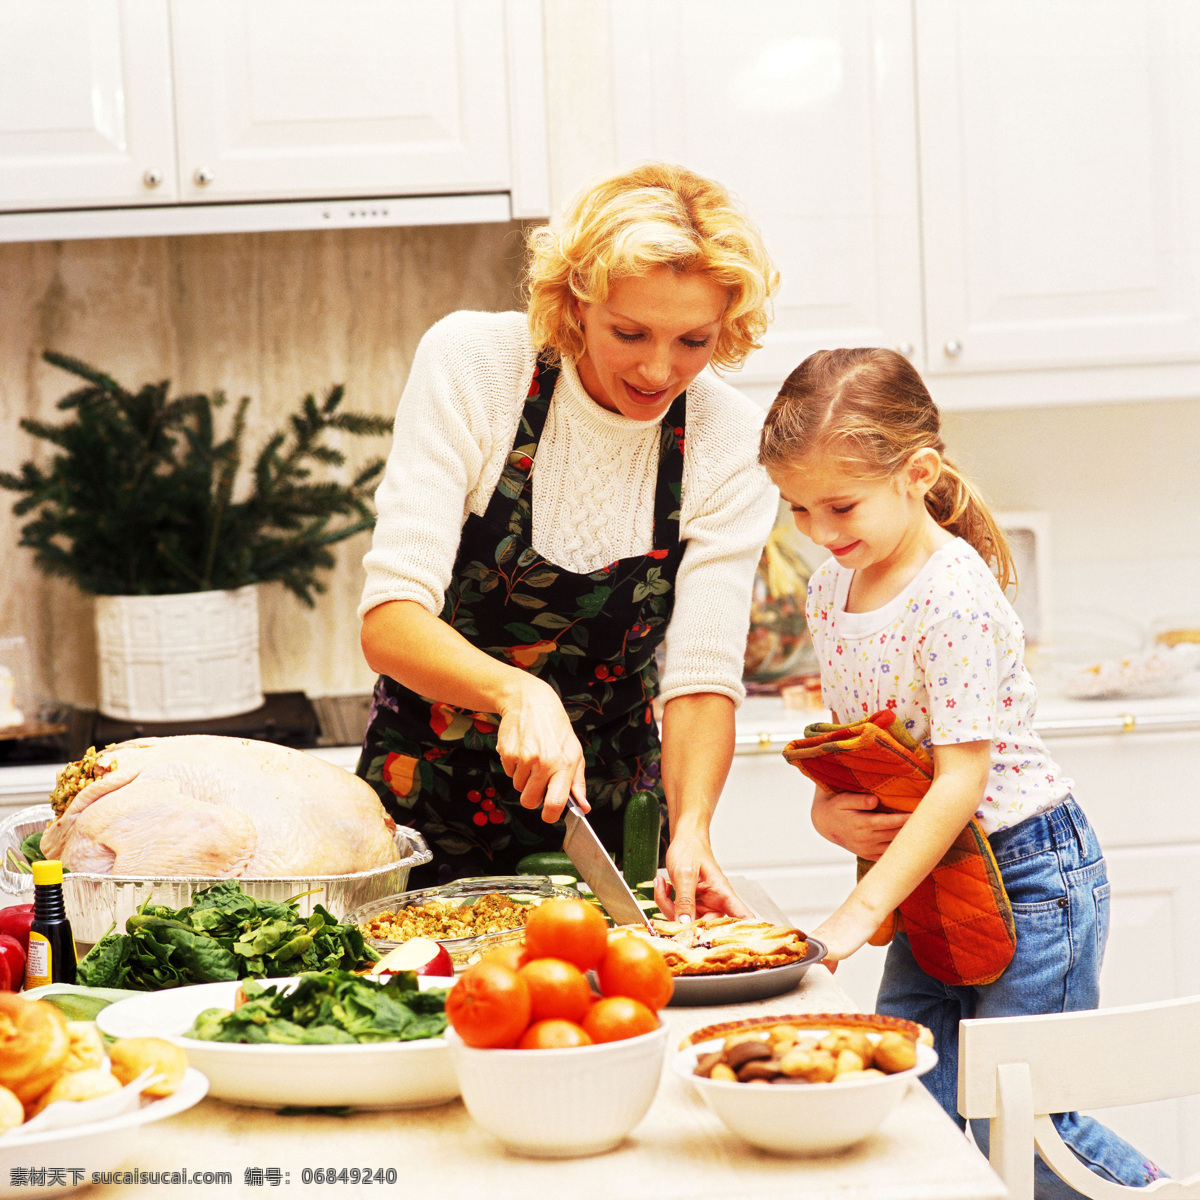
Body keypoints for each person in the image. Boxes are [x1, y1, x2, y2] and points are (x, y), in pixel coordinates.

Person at [758, 348, 1164, 1196]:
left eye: (840, 505)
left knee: (1023, 1124)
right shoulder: (832, 592)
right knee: (911, 1107)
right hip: (933, 881)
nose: (820, 532)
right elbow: (864, 749)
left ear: (919, 474)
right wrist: (828, 815)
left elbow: (959, 781)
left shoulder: (955, 594)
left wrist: (856, 910)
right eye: (797, 508)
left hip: (1030, 874)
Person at [356, 162, 779, 918]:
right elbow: (390, 621)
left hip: (609, 823)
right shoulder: (477, 366)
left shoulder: (730, 441)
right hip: (421, 806)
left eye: (693, 340)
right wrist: (518, 692)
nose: (659, 369)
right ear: (576, 301)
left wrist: (694, 832)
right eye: (629, 332)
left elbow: (701, 678)